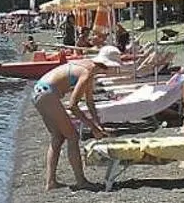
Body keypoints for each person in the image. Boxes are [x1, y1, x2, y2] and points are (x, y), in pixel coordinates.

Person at [31, 45, 122, 190]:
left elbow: (90, 102)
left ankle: (51, 182)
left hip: (38, 91)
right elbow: (72, 105)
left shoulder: (88, 67)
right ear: (106, 65)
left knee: (57, 137)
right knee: (72, 137)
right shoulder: (87, 73)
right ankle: (81, 181)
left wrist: (98, 125)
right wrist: (92, 127)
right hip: (47, 93)